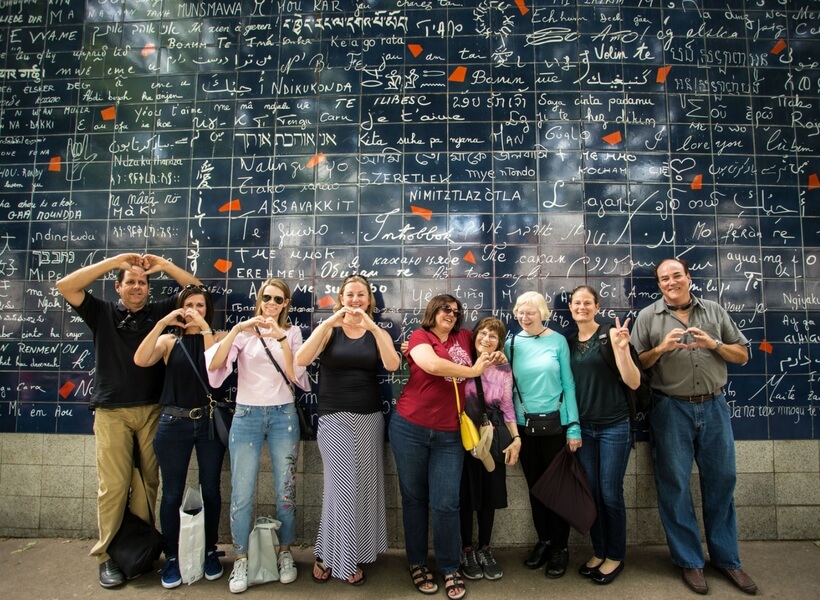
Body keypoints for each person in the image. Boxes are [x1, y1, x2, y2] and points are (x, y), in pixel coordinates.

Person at [55, 253, 201, 589]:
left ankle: (139, 550)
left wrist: (164, 266)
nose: (137, 287)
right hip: (111, 411)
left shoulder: (160, 312)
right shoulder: (102, 312)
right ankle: (107, 556)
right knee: (114, 487)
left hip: (152, 410)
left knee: (148, 483)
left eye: (142, 282)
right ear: (118, 287)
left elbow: (195, 289)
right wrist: (115, 262)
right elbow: (65, 286)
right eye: (130, 282)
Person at [631, 258, 756, 596]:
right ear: (658, 285)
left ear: (688, 278)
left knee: (722, 480)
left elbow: (742, 355)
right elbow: (634, 364)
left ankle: (727, 559)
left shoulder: (714, 311)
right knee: (674, 485)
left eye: (676, 276)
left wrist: (713, 345)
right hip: (670, 409)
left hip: (714, 406)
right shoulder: (647, 317)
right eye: (664, 278)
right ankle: (690, 561)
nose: (671, 282)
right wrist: (661, 348)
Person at [294, 274, 401, 585]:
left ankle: (341, 554)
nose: (355, 300)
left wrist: (373, 327)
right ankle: (333, 556)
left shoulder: (375, 330)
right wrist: (329, 323)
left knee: (363, 489)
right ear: (341, 298)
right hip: (333, 418)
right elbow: (301, 359)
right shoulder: (329, 330)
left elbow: (393, 365)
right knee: (340, 490)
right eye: (350, 295)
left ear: (369, 301)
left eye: (361, 296)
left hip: (369, 417)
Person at [206, 278, 310, 594]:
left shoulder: (292, 333)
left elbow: (297, 375)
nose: (272, 304)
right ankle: (242, 557)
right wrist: (237, 331)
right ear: (259, 298)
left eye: (279, 299)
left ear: (286, 304)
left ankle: (285, 552)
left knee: (285, 490)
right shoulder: (245, 333)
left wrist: (280, 338)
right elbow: (217, 366)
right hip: (247, 416)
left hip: (283, 415)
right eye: (267, 297)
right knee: (241, 491)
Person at [390, 294, 497, 600]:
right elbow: (432, 364)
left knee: (446, 503)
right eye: (446, 308)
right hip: (410, 427)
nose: (452, 313)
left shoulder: (466, 337)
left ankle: (449, 566)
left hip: (451, 434)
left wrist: (496, 356)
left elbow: (491, 344)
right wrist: (473, 371)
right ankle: (417, 563)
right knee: (414, 499)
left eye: (456, 311)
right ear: (433, 311)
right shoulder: (420, 336)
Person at [133, 285, 228, 588]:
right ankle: (173, 555)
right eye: (189, 305)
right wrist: (163, 322)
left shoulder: (219, 337)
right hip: (174, 422)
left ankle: (209, 550)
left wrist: (204, 329)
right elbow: (142, 360)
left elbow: (216, 364)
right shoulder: (169, 341)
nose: (195, 310)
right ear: (179, 308)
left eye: (201, 305)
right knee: (172, 492)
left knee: (211, 489)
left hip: (210, 422)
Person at [567, 286, 641, 585]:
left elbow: (633, 383)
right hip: (584, 428)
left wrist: (623, 351)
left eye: (587, 302)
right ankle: (599, 550)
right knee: (593, 493)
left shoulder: (612, 335)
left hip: (614, 426)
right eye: (576, 303)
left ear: (597, 306)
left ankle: (615, 555)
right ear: (570, 308)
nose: (581, 307)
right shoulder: (569, 343)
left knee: (611, 493)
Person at [506, 291, 580, 579]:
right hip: (524, 429)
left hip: (556, 427)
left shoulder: (558, 341)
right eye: (520, 312)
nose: (525, 317)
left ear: (543, 313)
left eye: (531, 312)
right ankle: (545, 542)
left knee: (557, 490)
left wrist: (573, 427)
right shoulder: (510, 343)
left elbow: (569, 385)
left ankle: (561, 548)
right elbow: (502, 384)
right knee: (536, 489)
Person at [458, 317, 519, 582]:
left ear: (500, 342)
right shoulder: (462, 362)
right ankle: (466, 550)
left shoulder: (503, 369)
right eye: (482, 333)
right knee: (465, 496)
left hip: (492, 437)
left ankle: (485, 547)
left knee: (489, 495)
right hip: (463, 436)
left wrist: (516, 438)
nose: (486, 339)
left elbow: (507, 407)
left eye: (493, 336)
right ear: (474, 337)